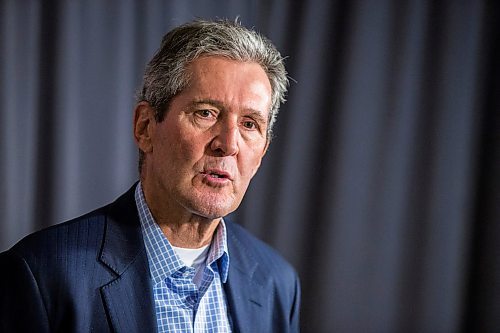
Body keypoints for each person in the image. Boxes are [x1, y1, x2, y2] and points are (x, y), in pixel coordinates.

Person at [0, 19, 300, 332]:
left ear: (262, 152)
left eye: (250, 124)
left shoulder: (277, 282)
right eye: (206, 113)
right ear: (145, 127)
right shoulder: (41, 274)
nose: (228, 144)